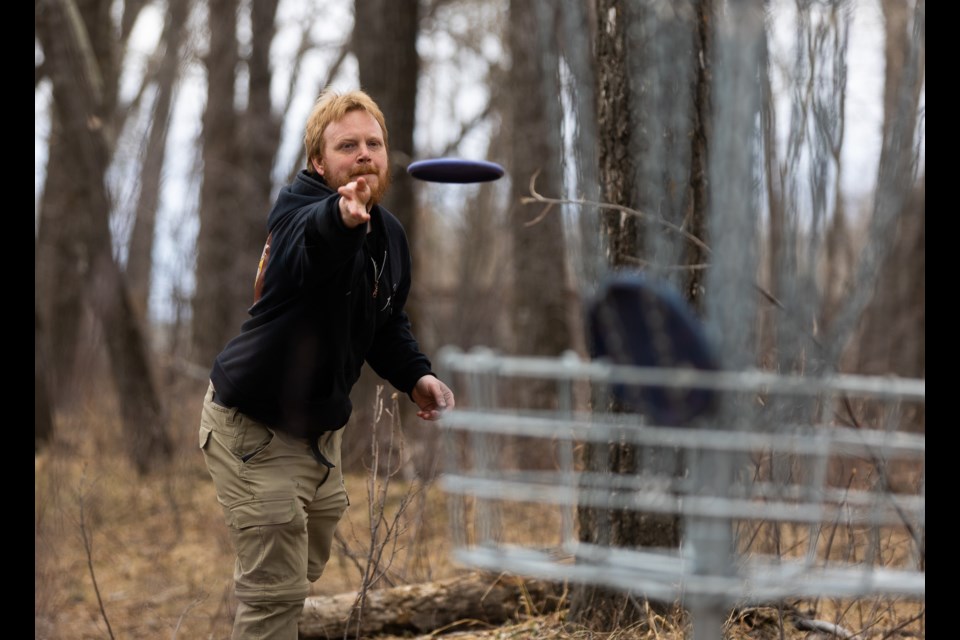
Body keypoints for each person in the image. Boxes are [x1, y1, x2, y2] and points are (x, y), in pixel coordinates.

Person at [197, 88, 455, 639]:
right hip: (253, 428)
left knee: (298, 573)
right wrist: (338, 220)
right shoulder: (299, 212)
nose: (364, 154)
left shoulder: (389, 235)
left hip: (321, 436)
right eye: (347, 145)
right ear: (319, 161)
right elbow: (301, 253)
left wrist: (417, 376)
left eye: (374, 143)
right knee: (275, 595)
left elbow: (385, 322)